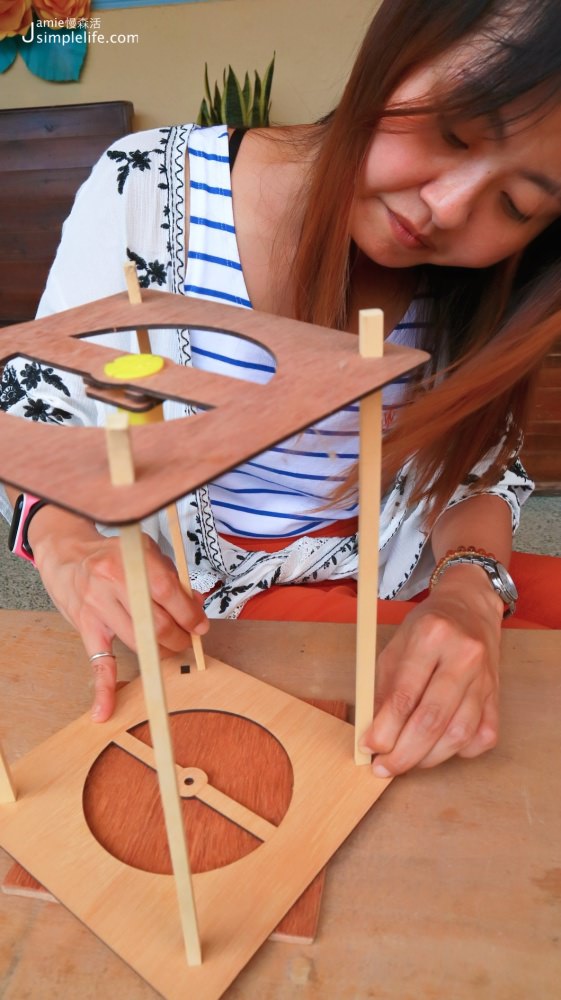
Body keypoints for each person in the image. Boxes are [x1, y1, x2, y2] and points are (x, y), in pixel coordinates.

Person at [2, 0, 561, 779]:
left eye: (515, 205)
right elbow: (36, 403)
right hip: (198, 611)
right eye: (455, 133)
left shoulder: (486, 292)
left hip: (396, 587)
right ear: (395, 52)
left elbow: (476, 466)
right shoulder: (142, 189)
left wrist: (469, 589)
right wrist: (66, 543)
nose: (445, 208)